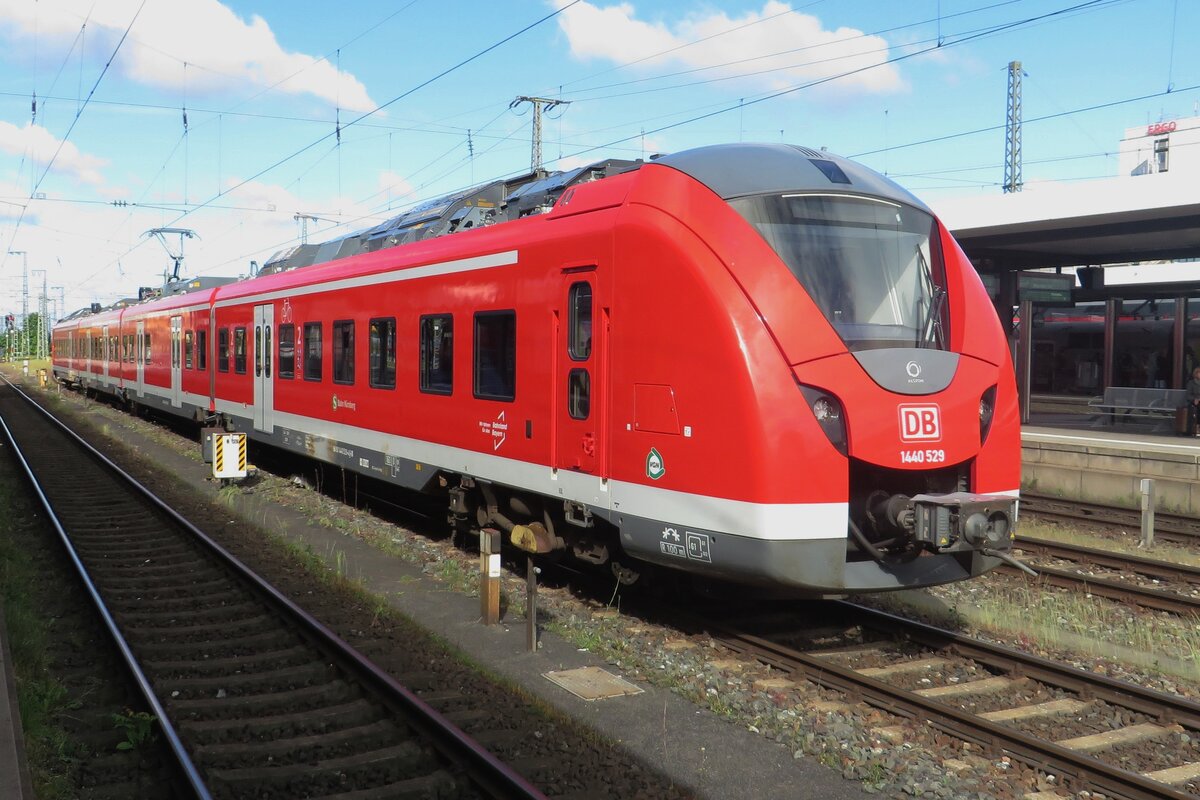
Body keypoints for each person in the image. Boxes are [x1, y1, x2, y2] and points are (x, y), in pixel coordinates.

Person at [1189, 366, 1200, 436]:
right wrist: (1194, 399)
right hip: (1194, 401)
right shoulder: (1191, 383)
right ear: (1196, 374)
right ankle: (1197, 427)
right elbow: (1188, 395)